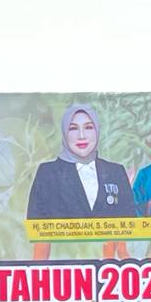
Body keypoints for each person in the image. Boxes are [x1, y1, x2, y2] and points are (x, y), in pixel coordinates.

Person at [27, 104, 135, 261]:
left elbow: (127, 234)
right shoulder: (48, 173)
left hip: (108, 273)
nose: (82, 135)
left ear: (97, 130)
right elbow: (39, 235)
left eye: (88, 127)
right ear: (64, 132)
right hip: (66, 274)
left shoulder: (116, 172)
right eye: (73, 128)